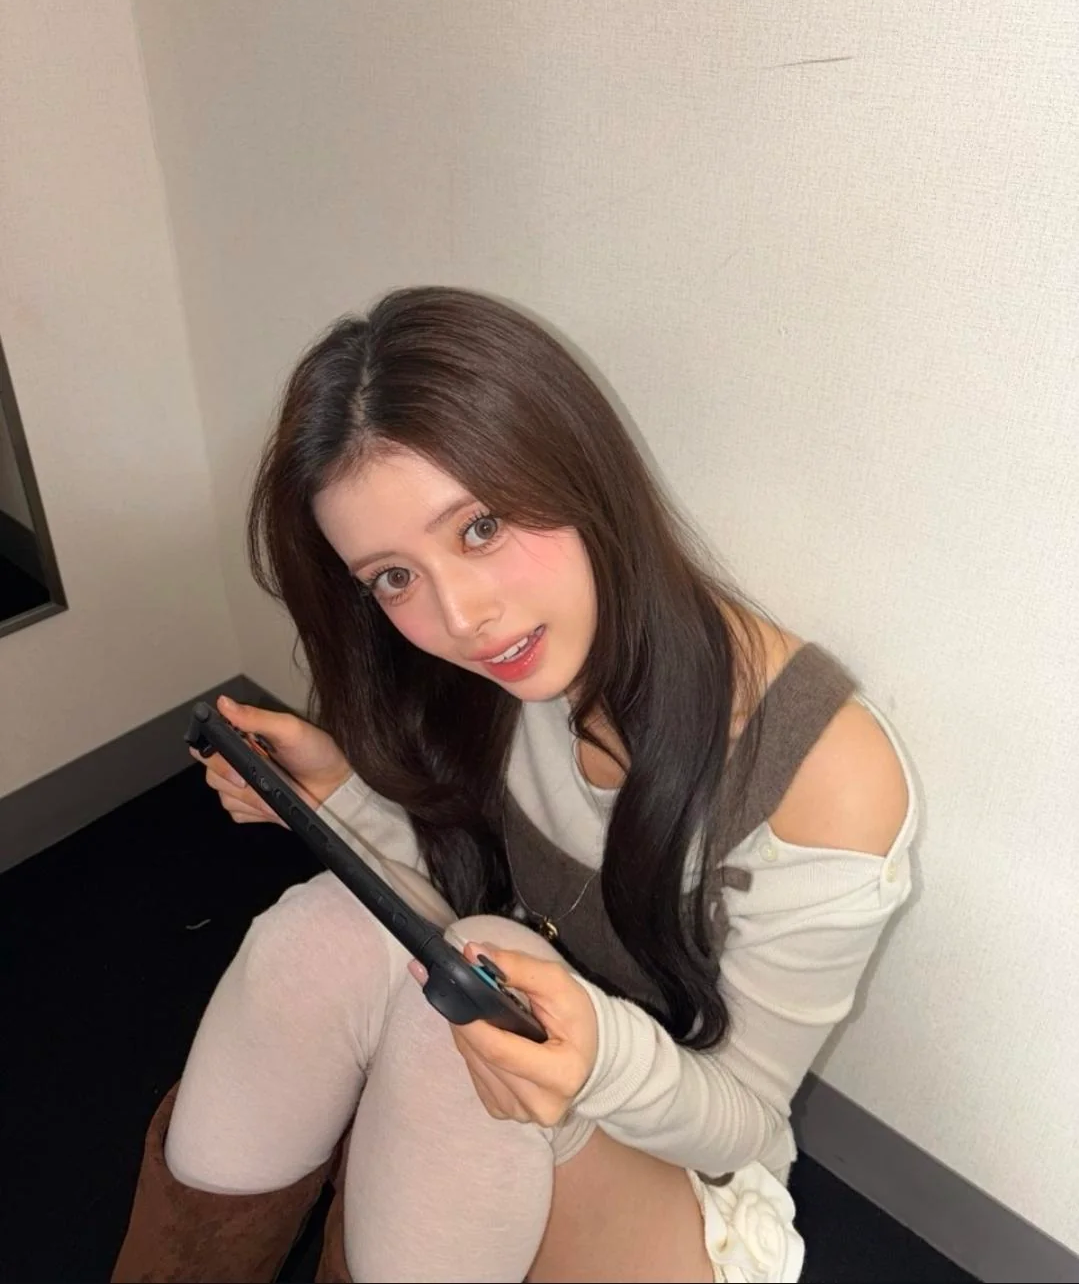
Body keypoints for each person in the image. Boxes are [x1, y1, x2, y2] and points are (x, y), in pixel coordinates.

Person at [112, 287, 917, 1284]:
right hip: (505, 1092)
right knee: (316, 934)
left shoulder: (825, 775)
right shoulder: (500, 670)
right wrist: (340, 801)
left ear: (579, 467)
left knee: (470, 999)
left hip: (679, 1170)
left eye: (480, 526)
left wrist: (594, 1055)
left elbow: (742, 1121)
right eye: (392, 576)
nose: (459, 616)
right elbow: (479, 904)